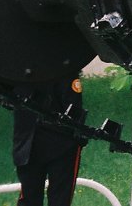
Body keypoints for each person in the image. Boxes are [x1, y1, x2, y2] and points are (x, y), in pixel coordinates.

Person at [11, 76, 84, 206]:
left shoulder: (66, 69)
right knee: (30, 198)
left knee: (59, 199)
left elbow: (74, 111)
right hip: (29, 141)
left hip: (61, 143)